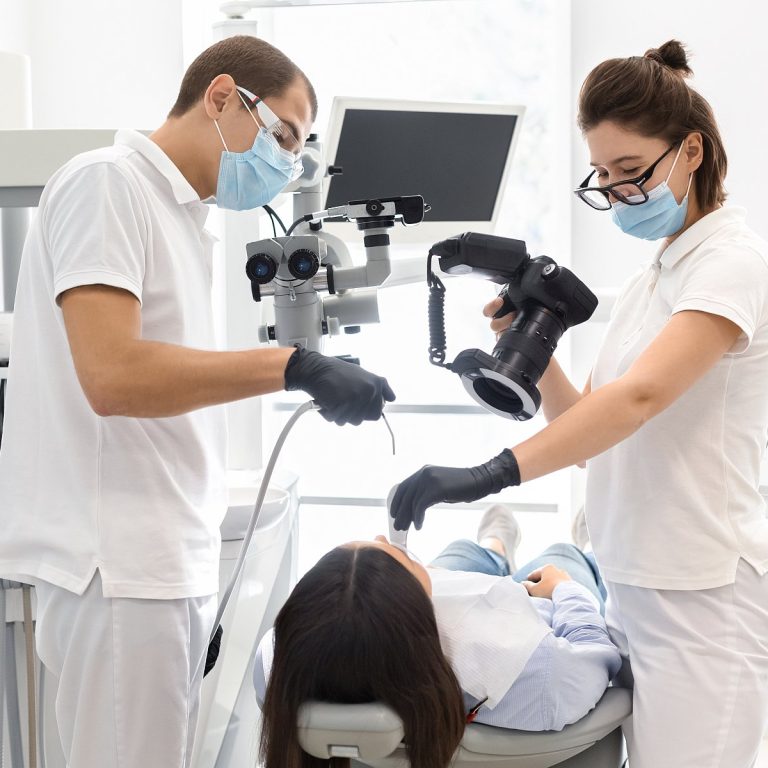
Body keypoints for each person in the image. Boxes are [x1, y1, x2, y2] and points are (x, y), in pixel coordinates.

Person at [0, 36, 394, 768]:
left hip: (155, 561)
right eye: (282, 135)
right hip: (116, 565)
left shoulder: (180, 219)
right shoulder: (107, 184)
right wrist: (292, 366)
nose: (284, 162)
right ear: (221, 97)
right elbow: (113, 374)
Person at [389, 39, 768, 768]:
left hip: (702, 602)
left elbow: (640, 397)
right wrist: (533, 357)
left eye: (631, 172)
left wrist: (488, 474)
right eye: (602, 174)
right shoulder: (652, 282)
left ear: (691, 151)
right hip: (633, 581)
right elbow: (591, 424)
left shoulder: (732, 265)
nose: (617, 191)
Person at [254, 505, 621, 768]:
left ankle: (494, 546)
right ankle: (585, 550)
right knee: (561, 558)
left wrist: (409, 571)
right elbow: (594, 651)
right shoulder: (539, 672)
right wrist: (565, 589)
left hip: (424, 612)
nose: (382, 536)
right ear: (415, 615)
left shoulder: (279, 660)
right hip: (536, 616)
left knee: (456, 558)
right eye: (398, 557)